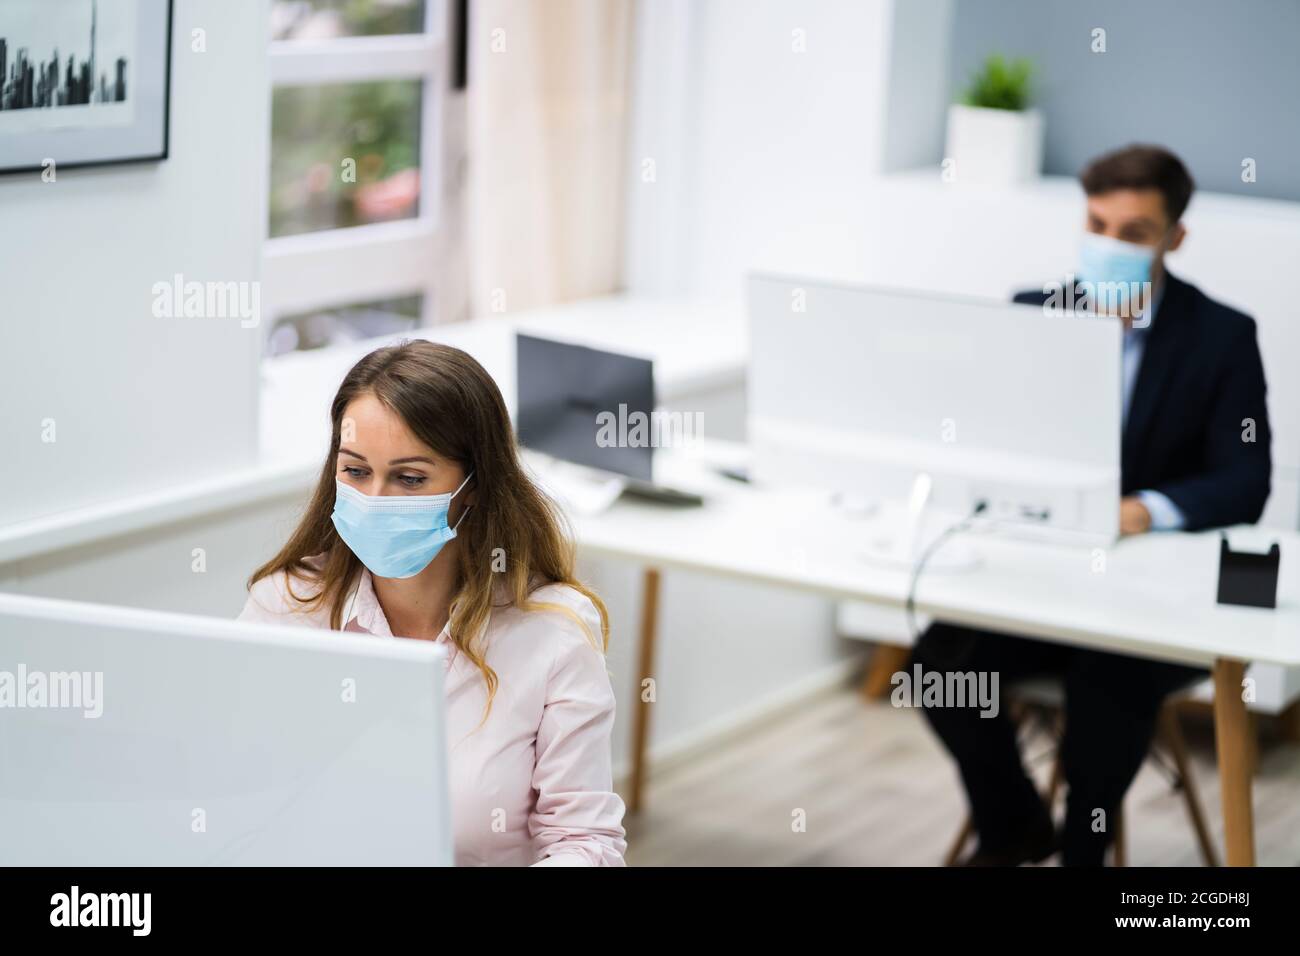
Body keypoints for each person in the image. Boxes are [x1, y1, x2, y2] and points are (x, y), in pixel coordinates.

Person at [913, 144, 1272, 866]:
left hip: (1147, 605)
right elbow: (989, 444)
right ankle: (1014, 823)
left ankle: (1085, 850)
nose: (1108, 245)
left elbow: (1246, 482)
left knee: (1108, 683)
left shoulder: (1221, 337)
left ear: (1175, 238)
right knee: (937, 665)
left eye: (1134, 231)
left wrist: (1143, 509)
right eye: (1096, 224)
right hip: (1042, 582)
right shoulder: (1035, 313)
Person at [238, 340, 627, 866]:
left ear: (472, 486)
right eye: (355, 471)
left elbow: (584, 844)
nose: (374, 500)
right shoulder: (283, 607)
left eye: (410, 478)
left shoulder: (551, 633)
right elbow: (238, 798)